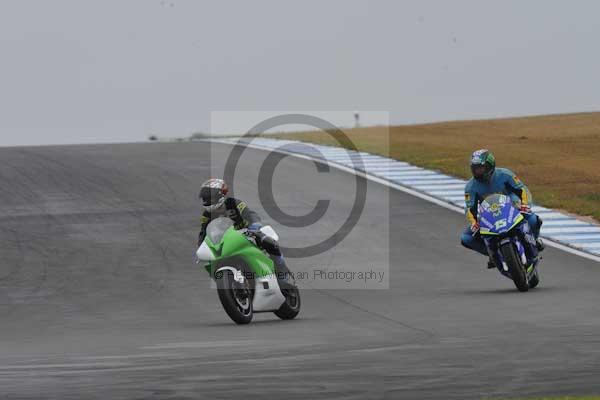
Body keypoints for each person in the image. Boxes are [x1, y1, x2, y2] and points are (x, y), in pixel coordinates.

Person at [197, 178, 293, 285]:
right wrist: (201, 246)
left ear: (219, 195)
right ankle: (226, 280)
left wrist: (254, 227)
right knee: (209, 261)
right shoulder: (206, 215)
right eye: (204, 198)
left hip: (246, 234)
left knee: (269, 242)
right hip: (225, 241)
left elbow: (250, 214)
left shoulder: (234, 203)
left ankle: (283, 275)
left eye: (209, 197)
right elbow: (204, 232)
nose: (206, 201)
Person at [460, 149, 544, 268]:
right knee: (466, 238)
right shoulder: (470, 187)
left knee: (534, 220)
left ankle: (534, 241)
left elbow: (522, 189)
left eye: (480, 168)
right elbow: (470, 208)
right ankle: (493, 254)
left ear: (490, 166)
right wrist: (474, 222)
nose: (477, 172)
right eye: (475, 169)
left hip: (512, 210)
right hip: (490, 217)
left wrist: (525, 205)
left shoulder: (505, 174)